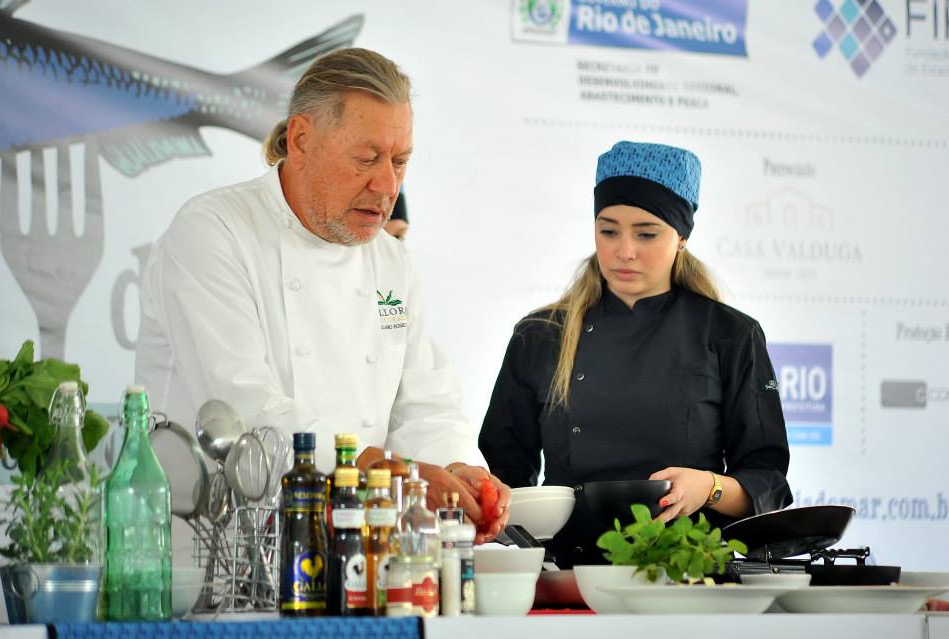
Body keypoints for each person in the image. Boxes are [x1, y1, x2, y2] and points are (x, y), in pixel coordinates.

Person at [135, 48, 508, 540]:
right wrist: (388, 470)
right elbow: (243, 413)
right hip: (213, 556)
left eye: (400, 161)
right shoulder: (214, 231)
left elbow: (424, 404)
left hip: (354, 551)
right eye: (367, 159)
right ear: (301, 138)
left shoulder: (391, 261)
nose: (387, 184)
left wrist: (461, 472)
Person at [478, 141, 791, 566]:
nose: (624, 250)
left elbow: (767, 481)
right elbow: (503, 478)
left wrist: (709, 487)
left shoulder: (730, 335)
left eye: (646, 233)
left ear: (681, 237)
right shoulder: (541, 336)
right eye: (608, 231)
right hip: (569, 571)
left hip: (689, 572)